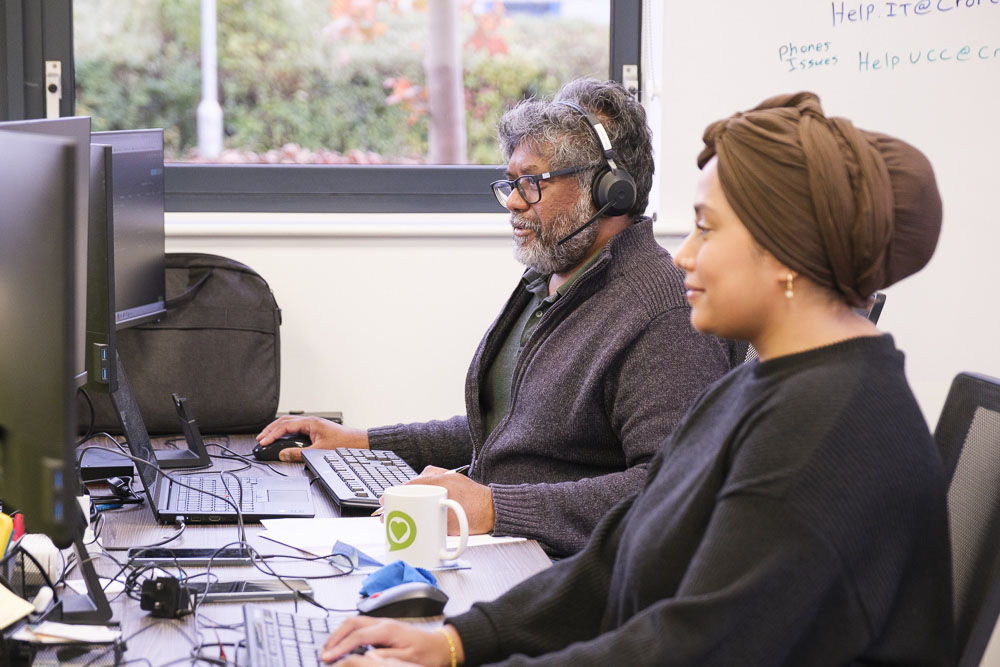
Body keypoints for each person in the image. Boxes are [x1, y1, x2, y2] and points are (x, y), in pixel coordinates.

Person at [317, 91, 955, 666]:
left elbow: (692, 645)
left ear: (784, 250)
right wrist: (461, 641)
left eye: (707, 228)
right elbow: (619, 553)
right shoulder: (764, 385)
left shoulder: (826, 430)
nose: (683, 254)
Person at [257, 79, 737, 558]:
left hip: (560, 573)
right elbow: (508, 426)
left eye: (533, 182)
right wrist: (361, 441)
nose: (513, 200)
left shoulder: (662, 313)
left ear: (610, 190)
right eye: (511, 183)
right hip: (498, 548)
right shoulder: (548, 280)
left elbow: (671, 488)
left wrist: (493, 507)